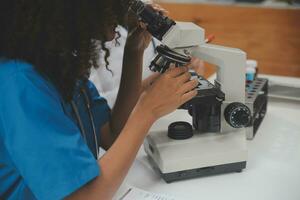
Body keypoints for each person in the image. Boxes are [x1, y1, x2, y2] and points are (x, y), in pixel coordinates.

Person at [0, 1, 198, 199]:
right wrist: (148, 110)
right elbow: (83, 196)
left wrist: (134, 50)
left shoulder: (59, 65)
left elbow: (112, 134)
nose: (123, 12)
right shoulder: (21, 85)